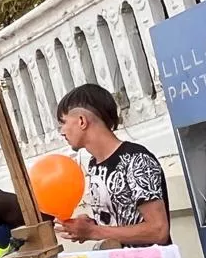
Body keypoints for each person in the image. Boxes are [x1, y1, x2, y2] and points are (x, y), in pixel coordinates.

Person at [53, 83, 172, 247]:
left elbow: (158, 231)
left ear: (82, 121)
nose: (62, 132)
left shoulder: (136, 159)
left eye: (63, 122)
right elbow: (121, 222)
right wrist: (91, 225)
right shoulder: (94, 165)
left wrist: (93, 231)